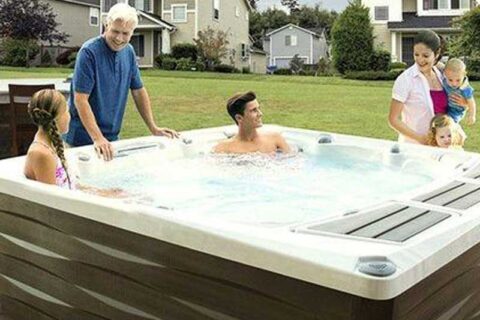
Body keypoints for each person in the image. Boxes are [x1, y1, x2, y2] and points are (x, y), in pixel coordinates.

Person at [66, 3, 178, 161]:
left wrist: (153, 127)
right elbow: (80, 99)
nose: (119, 38)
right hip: (83, 139)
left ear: (133, 32)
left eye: (125, 33)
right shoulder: (89, 52)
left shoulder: (129, 52)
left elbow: (138, 91)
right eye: (115, 31)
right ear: (106, 25)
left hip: (111, 138)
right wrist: (97, 138)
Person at [24, 89, 125, 197]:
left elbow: (70, 184)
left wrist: (102, 192)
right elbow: (53, 202)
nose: (69, 116)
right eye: (67, 111)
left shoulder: (51, 145)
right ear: (56, 118)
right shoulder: (41, 154)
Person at [388, 30, 467, 144]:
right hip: (415, 147)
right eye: (416, 54)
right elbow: (393, 120)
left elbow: (450, 109)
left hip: (443, 145)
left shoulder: (442, 75)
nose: (420, 60)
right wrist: (421, 139)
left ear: (437, 53)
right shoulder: (405, 80)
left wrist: (463, 104)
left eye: (425, 55)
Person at [213, 91, 291, 154]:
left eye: (259, 108)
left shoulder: (275, 139)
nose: (260, 114)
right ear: (239, 118)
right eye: (254, 110)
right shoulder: (223, 148)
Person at [442, 58, 476, 126]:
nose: (454, 84)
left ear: (464, 75)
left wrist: (472, 116)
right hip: (446, 107)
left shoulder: (465, 88)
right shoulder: (444, 80)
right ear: (445, 74)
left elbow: (471, 103)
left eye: (458, 80)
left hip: (456, 111)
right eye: (450, 80)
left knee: (449, 123)